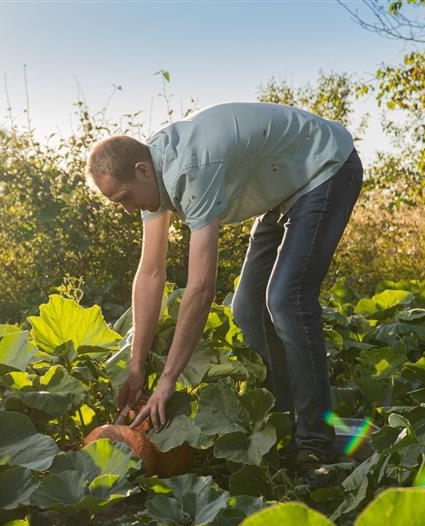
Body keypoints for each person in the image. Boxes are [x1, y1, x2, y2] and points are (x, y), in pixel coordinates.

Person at [86, 102, 363, 482]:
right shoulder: (152, 171)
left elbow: (200, 287)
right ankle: (286, 425)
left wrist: (168, 379)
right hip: (284, 190)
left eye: (125, 199)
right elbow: (150, 273)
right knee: (247, 309)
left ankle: (316, 445)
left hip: (325, 169)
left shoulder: (190, 169)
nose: (130, 211)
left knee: (286, 299)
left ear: (141, 170)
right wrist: (136, 365)